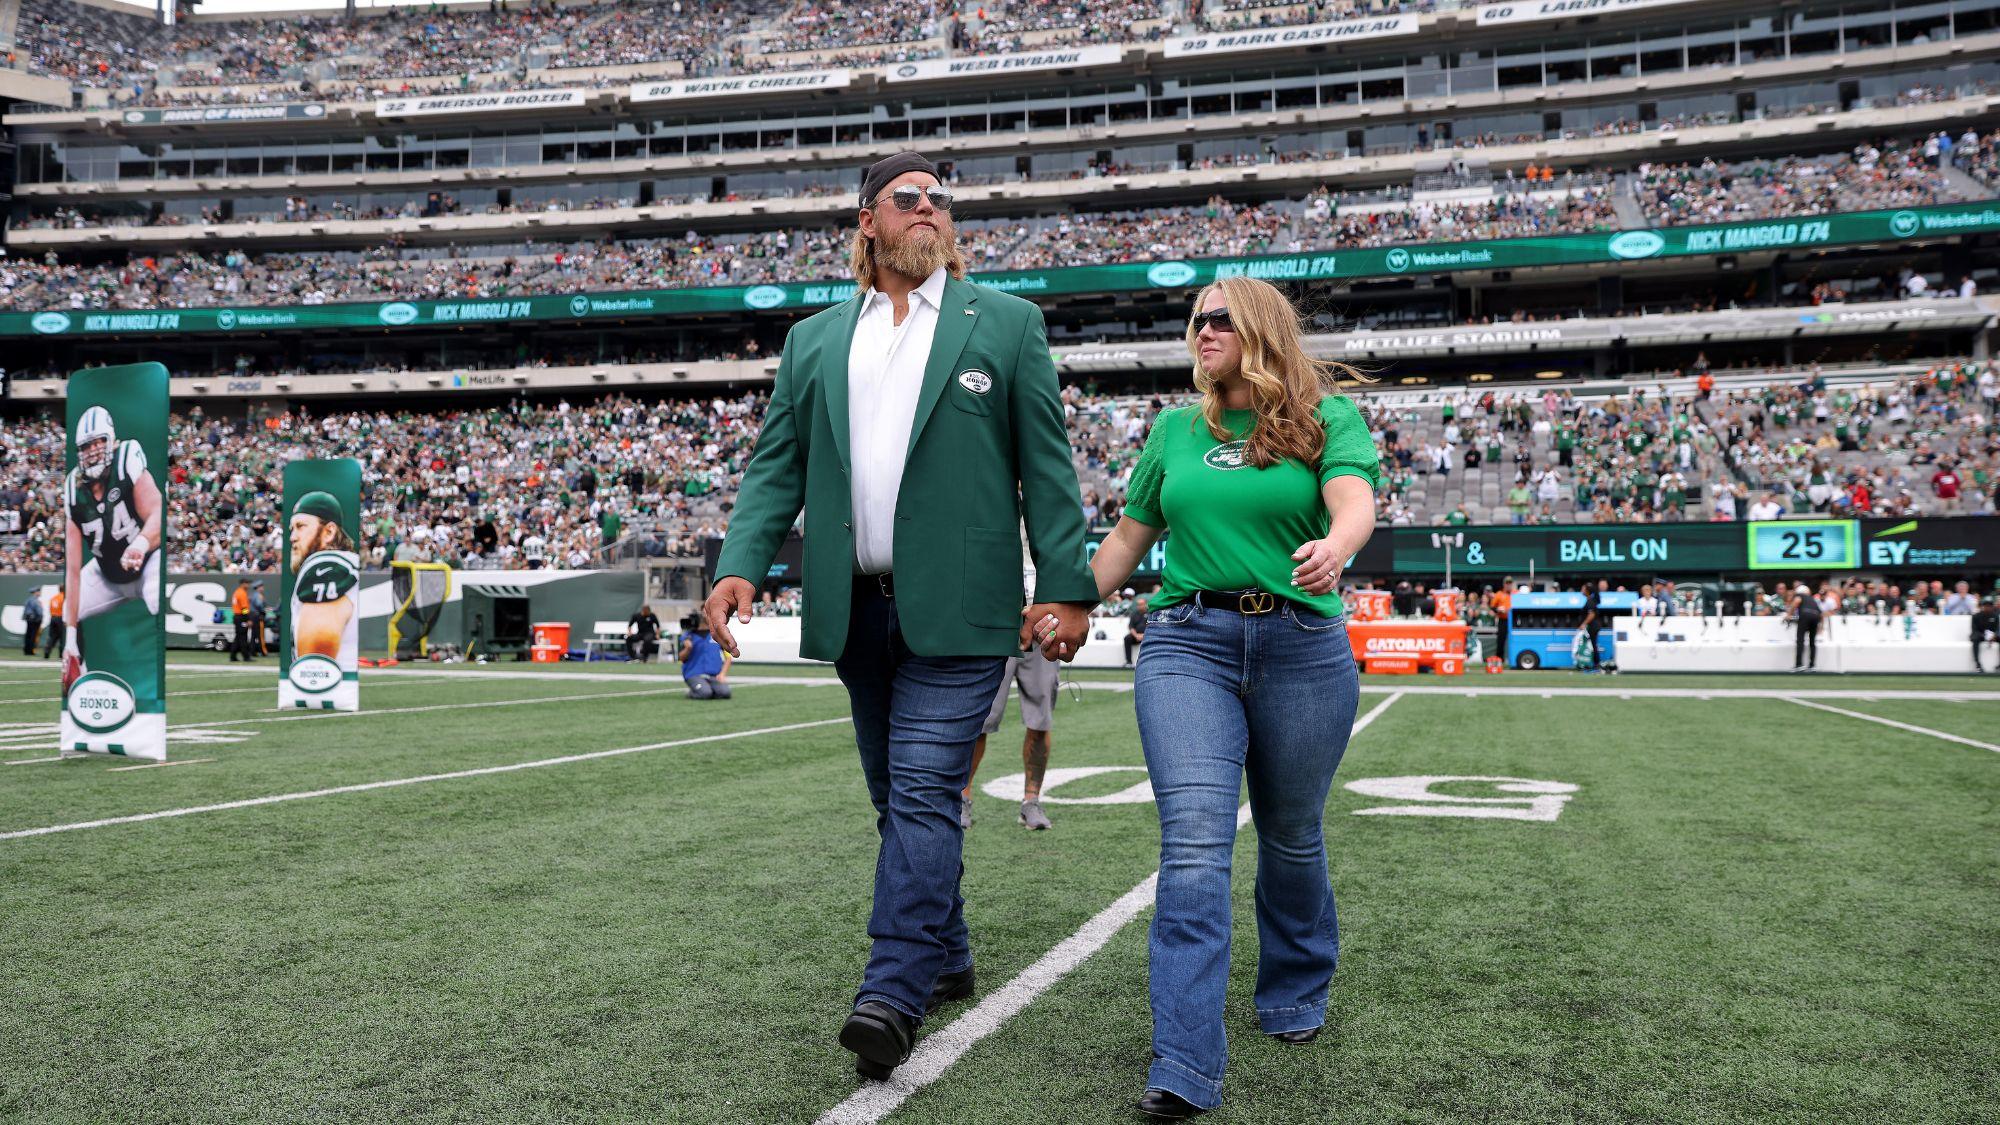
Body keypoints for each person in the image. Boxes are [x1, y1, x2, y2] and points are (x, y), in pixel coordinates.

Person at [703, 150, 1099, 1082]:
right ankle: (950, 948)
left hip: (964, 612)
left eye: (939, 200)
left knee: (923, 789)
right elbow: (775, 470)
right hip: (856, 611)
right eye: (907, 199)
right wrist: (739, 567)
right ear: (868, 223)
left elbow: (1046, 466)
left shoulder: (1004, 324)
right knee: (897, 797)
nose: (929, 210)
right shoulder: (812, 341)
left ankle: (892, 990)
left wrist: (1068, 585)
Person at [1040, 275, 1376, 1119]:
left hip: (1303, 644)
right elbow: (1127, 537)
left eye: (1221, 318)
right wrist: (1073, 605)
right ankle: (1185, 1062)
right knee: (1193, 843)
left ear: (1260, 328)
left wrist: (1335, 546)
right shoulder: (1174, 430)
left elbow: (1353, 501)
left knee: (1291, 831)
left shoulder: (1324, 417)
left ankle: (1295, 989)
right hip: (1187, 641)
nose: (1203, 330)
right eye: (1195, 321)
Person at [963, 527, 1062, 830]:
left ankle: (1031, 801)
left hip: (1045, 620)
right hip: (996, 621)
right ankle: (962, 797)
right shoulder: (992, 491)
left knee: (1040, 718)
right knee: (979, 718)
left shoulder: (1048, 495)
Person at [679, 616, 731, 699]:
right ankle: (692, 692)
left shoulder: (717, 635)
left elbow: (728, 657)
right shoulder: (687, 636)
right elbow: (681, 658)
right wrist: (688, 648)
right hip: (694, 674)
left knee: (725, 693)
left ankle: (707, 689)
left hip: (714, 675)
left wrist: (722, 674)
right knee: (705, 693)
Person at [1789, 583, 1822, 672]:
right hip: (1816, 617)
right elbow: (1820, 613)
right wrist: (1821, 627)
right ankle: (1812, 665)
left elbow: (1796, 602)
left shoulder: (1800, 596)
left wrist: (1788, 614)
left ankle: (1799, 664)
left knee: (1800, 640)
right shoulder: (1813, 599)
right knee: (1812, 642)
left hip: (1805, 615)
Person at [229, 579, 255, 662]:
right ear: (243, 584)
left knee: (238, 637)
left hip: (237, 617)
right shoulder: (242, 593)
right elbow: (244, 609)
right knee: (243, 637)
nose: (248, 585)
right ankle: (246, 656)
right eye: (247, 583)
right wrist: (248, 619)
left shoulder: (236, 592)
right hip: (241, 617)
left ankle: (233, 656)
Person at [1973, 598, 1999, 673]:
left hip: (1993, 636)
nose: (1987, 607)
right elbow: (1974, 630)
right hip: (1980, 636)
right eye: (1986, 605)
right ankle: (1978, 664)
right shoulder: (1976, 616)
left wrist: (1994, 636)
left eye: (1989, 606)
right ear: (1982, 606)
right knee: (1975, 638)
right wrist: (1985, 636)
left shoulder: (1995, 616)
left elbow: (1997, 629)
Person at [1125, 594, 1149, 666]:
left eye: (1141, 604)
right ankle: (1129, 662)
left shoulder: (1150, 613)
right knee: (1127, 638)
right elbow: (1131, 627)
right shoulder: (1134, 614)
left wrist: (1143, 635)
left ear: (1145, 604)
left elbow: (1152, 626)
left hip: (1147, 635)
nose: (1140, 606)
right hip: (1136, 636)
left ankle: (1147, 662)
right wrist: (1136, 635)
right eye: (1138, 604)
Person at [41, 588, 64, 659]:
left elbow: (50, 608)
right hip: (61, 618)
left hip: (53, 617)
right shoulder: (64, 597)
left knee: (51, 637)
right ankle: (61, 654)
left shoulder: (54, 598)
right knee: (63, 637)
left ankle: (46, 653)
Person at [19, 588, 42, 657]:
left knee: (28, 635)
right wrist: (40, 617)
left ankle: (27, 650)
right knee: (33, 635)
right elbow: (38, 611)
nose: (40, 593)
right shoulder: (34, 600)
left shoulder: (29, 599)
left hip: (29, 619)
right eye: (39, 592)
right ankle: (31, 651)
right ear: (35, 592)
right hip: (34, 619)